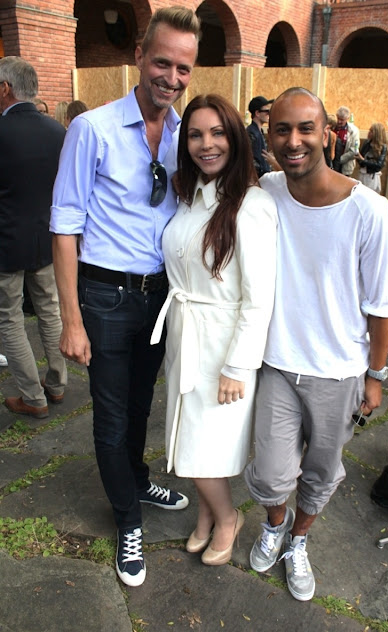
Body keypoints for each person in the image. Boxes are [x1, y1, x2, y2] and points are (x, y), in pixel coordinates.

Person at [50, 7, 201, 588]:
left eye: (183, 68)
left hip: (160, 297)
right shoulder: (92, 129)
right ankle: (128, 520)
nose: (171, 77)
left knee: (141, 406)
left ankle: (136, 480)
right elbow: (65, 224)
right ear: (139, 55)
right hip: (105, 297)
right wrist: (71, 319)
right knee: (112, 416)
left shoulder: (186, 134)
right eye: (162, 62)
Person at [245, 87, 388, 602]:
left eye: (305, 128)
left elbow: (380, 306)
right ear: (268, 136)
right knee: (271, 473)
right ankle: (274, 525)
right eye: (281, 130)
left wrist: (375, 377)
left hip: (339, 370)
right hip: (278, 363)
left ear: (327, 134)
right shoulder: (267, 192)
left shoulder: (369, 210)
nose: (293, 141)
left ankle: (299, 540)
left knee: (321, 472)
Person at [150, 94, 277, 566]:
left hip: (223, 343)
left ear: (236, 138)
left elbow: (259, 297)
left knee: (202, 444)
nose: (207, 144)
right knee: (190, 438)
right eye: (196, 135)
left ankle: (227, 518)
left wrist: (238, 365)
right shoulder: (190, 197)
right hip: (185, 333)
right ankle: (206, 516)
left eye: (217, 132)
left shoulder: (251, 205)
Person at [0, 57, 67, 418]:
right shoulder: (58, 131)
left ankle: (33, 396)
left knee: (9, 318)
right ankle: (56, 384)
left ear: (5, 88)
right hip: (47, 238)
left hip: (6, 242)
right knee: (50, 310)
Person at [356, 122, 388, 193]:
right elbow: (361, 156)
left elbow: (378, 165)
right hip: (362, 172)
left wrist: (363, 160)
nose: (369, 133)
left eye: (371, 131)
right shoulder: (366, 143)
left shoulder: (382, 147)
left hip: (371, 176)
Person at [246, 95, 273, 177]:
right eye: (267, 111)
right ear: (257, 113)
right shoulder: (250, 133)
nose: (269, 114)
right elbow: (248, 159)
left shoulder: (259, 131)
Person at [332, 105, 360, 176]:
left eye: (342, 120)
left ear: (347, 118)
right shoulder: (332, 126)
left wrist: (339, 160)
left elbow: (354, 150)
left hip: (345, 167)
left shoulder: (354, 131)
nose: (339, 121)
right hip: (331, 165)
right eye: (338, 118)